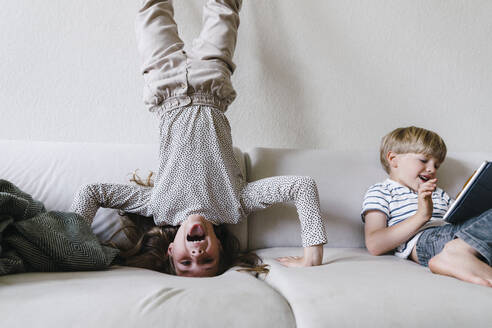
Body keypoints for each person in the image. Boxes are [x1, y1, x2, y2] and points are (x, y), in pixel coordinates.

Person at [70, 0, 327, 277]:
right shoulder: (234, 206)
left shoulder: (158, 207)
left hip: (163, 81)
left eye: (185, 263)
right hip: (211, 80)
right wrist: (312, 255)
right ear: (220, 247)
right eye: (208, 262)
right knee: (224, 6)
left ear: (170, 250)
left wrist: (70, 250)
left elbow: (90, 193)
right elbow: (302, 187)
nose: (197, 255)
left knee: (151, 7)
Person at [362, 126, 492, 287]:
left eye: (437, 165)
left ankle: (460, 256)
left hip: (462, 236)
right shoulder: (381, 191)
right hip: (428, 241)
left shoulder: (440, 193)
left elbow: (460, 221)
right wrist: (422, 215)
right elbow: (375, 244)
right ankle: (453, 254)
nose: (431, 169)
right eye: (423, 160)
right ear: (393, 159)